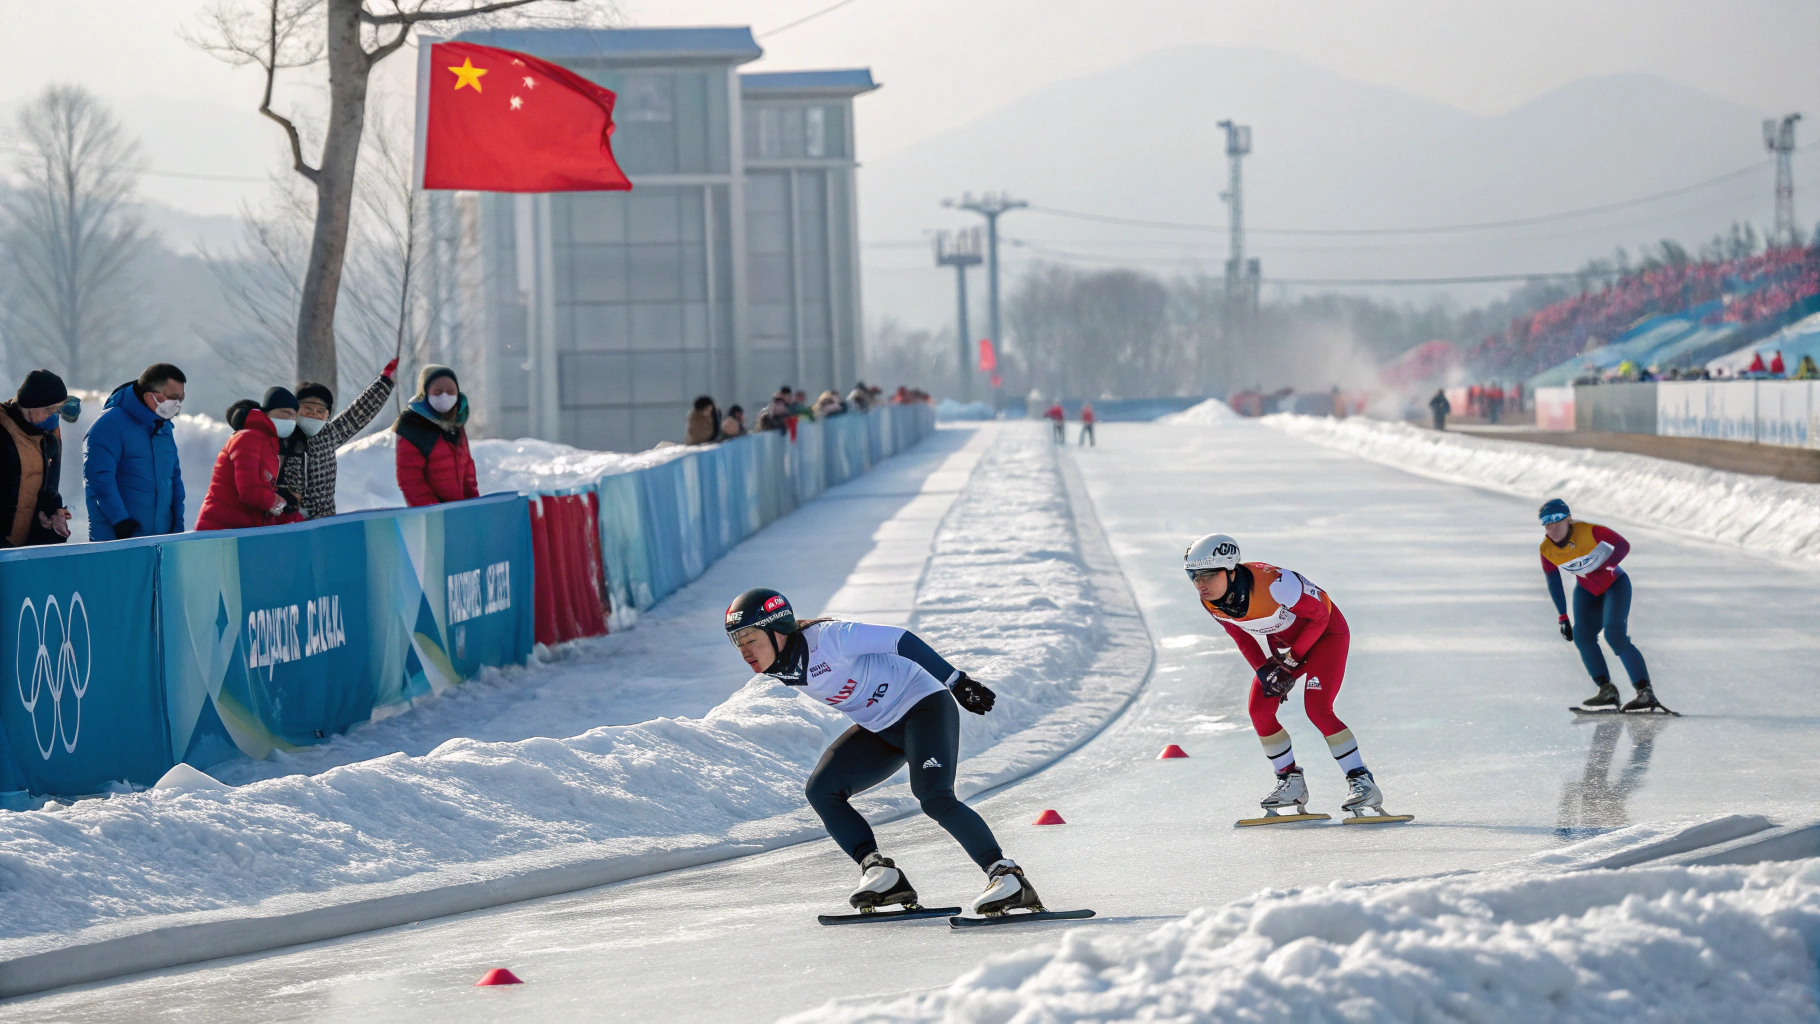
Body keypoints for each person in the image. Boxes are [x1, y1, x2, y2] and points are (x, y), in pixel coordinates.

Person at [724, 587, 1043, 918]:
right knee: (822, 791)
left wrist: (956, 680)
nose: (744, 651)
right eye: (738, 642)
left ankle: (1006, 875)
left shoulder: (830, 639)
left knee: (934, 796)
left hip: (924, 708)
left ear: (778, 630)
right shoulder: (778, 663)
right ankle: (881, 874)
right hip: (880, 728)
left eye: (750, 639)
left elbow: (900, 639)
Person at [1184, 533, 1391, 818]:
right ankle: (1289, 781)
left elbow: (1322, 615)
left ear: (1231, 571)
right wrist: (1264, 671)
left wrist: (1290, 662)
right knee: (1259, 710)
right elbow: (1241, 637)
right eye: (1193, 576)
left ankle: (1362, 781)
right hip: (1285, 647)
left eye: (1208, 575)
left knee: (1318, 709)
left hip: (1326, 636)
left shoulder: (1277, 585)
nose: (1200, 584)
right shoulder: (1210, 601)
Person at [1537, 498, 1662, 712]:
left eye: (1556, 519)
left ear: (1569, 519)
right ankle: (1606, 690)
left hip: (1615, 585)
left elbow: (1623, 545)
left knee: (1614, 635)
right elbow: (1553, 582)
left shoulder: (1590, 531)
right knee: (1582, 635)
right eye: (1546, 522)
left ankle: (1644, 692)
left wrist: (1608, 564)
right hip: (1587, 590)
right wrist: (1562, 616)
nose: (1552, 526)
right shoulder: (1546, 549)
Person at [277, 360, 397, 519]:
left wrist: (385, 382)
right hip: (291, 521)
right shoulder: (284, 436)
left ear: (327, 414)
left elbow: (359, 412)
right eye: (308, 409)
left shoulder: (328, 435)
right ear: (296, 409)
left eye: (320, 411)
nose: (313, 415)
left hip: (326, 518)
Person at [85, 363, 187, 540]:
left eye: (181, 398)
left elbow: (173, 479)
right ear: (150, 396)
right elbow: (99, 478)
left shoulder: (163, 428)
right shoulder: (110, 424)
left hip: (161, 540)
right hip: (118, 539)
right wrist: (120, 521)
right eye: (173, 397)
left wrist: (177, 523)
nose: (177, 404)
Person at [195, 388, 304, 531]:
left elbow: (263, 497)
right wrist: (280, 503)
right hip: (220, 531)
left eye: (294, 416)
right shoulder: (247, 438)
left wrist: (292, 513)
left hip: (243, 530)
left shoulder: (270, 447)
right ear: (267, 412)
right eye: (285, 412)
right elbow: (249, 492)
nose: (291, 420)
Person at [0, 370, 73, 547]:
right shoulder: (3, 430)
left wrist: (53, 513)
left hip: (26, 545)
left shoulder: (49, 435)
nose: (54, 416)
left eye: (57, 410)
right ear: (30, 405)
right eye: (49, 409)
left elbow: (47, 485)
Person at [394, 365, 480, 507]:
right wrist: (435, 511)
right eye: (438, 392)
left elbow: (467, 471)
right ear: (425, 392)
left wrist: (473, 505)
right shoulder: (413, 425)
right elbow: (410, 479)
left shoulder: (456, 423)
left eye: (451, 391)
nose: (445, 396)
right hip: (432, 514)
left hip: (458, 511)